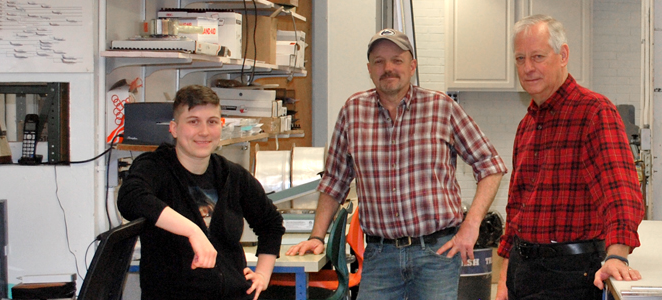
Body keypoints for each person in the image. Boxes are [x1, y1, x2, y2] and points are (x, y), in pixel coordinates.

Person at [285, 28, 508, 300]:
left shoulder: (441, 107)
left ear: (412, 66)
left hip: (436, 254)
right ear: (369, 68)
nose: (388, 68)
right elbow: (334, 181)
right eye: (379, 61)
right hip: (381, 256)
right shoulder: (352, 112)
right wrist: (317, 237)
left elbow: (491, 165)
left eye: (397, 60)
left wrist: (471, 225)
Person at [496, 14, 646, 300]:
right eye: (520, 59)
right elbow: (516, 207)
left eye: (538, 56)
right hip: (522, 270)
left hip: (571, 275)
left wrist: (617, 257)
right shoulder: (527, 125)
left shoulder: (594, 112)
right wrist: (504, 276)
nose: (528, 68)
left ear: (562, 55)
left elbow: (621, 193)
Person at [117, 85, 285, 300]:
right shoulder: (155, 168)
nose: (204, 131)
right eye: (193, 121)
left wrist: (262, 274)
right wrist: (193, 231)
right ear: (174, 128)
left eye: (212, 122)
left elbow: (270, 223)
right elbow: (131, 198)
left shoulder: (232, 175)